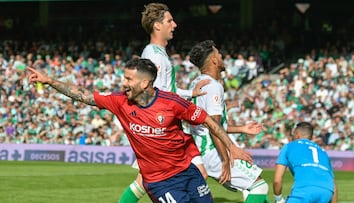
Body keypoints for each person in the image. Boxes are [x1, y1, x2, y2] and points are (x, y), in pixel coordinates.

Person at [27, 58, 253, 203]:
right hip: (159, 181)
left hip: (188, 173)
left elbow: (209, 121)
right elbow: (83, 95)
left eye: (128, 79)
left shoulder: (173, 103)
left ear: (145, 83)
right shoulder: (119, 101)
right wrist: (50, 81)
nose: (123, 83)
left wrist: (232, 148)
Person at [120, 3, 210, 203]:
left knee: (146, 181)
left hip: (165, 125)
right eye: (169, 20)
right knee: (195, 174)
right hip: (163, 128)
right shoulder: (154, 56)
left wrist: (189, 93)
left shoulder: (156, 52)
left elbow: (166, 92)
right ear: (157, 26)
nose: (175, 25)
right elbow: (156, 96)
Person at [188, 40, 270, 203]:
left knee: (251, 185)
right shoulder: (212, 86)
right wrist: (226, 158)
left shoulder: (196, 83)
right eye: (219, 54)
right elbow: (214, 126)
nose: (222, 56)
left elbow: (210, 123)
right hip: (213, 151)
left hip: (201, 149)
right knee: (259, 186)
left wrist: (242, 129)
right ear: (214, 60)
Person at [273, 121, 337, 203]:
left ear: (297, 134)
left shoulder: (288, 147)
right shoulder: (323, 152)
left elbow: (277, 180)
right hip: (327, 192)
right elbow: (334, 185)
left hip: (304, 190)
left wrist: (278, 199)